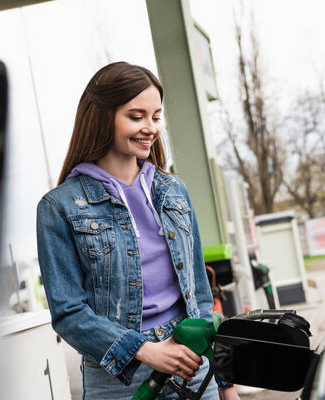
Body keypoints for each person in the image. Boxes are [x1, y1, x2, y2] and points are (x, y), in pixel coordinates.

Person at [36, 62, 239, 399]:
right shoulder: (59, 207)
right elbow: (68, 312)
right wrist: (145, 350)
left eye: (155, 116)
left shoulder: (174, 191)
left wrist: (225, 382)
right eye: (136, 116)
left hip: (192, 362)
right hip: (117, 380)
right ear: (102, 117)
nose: (150, 127)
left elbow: (201, 297)